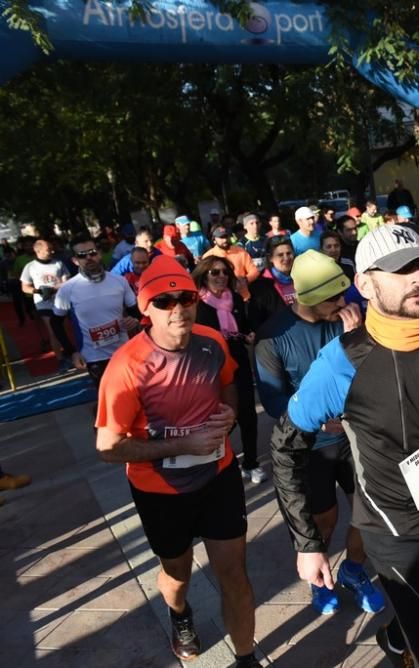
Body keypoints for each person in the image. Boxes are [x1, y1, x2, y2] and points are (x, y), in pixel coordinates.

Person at [271, 224, 419, 667]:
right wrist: (307, 543)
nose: (418, 278)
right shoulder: (341, 362)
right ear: (364, 283)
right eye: (400, 271)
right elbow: (285, 447)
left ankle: (397, 639)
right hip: (394, 531)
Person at [95, 257, 260, 666]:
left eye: (184, 297)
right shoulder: (126, 367)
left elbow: (229, 389)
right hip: (160, 491)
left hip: (218, 476)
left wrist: (229, 416)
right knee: (177, 574)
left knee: (234, 575)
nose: (177, 309)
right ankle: (180, 612)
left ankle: (246, 658)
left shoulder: (212, 341)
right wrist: (181, 443)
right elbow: (107, 447)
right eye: (164, 301)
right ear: (145, 309)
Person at [256, 251, 386, 615]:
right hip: (311, 444)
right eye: (333, 297)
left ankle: (354, 570)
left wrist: (358, 338)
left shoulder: (351, 320)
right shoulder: (273, 336)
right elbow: (272, 400)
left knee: (369, 512)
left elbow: (377, 374)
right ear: (305, 297)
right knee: (323, 519)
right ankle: (319, 574)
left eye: (344, 294)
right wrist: (317, 415)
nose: (343, 304)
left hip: (354, 436)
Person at [191, 257, 264, 484]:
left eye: (225, 272)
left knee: (248, 416)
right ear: (204, 275)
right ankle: (215, 457)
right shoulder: (197, 304)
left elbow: (244, 327)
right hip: (211, 367)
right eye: (214, 272)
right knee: (222, 417)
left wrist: (248, 333)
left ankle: (251, 463)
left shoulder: (234, 299)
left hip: (239, 362)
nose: (221, 276)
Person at [50, 236, 140, 387]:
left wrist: (134, 319)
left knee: (136, 396)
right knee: (111, 401)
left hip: (124, 351)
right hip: (94, 358)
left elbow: (135, 310)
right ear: (75, 260)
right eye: (82, 255)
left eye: (92, 253)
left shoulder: (119, 281)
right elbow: (56, 322)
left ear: (99, 254)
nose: (89, 258)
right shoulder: (68, 289)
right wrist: (72, 351)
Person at [20, 238, 71, 363]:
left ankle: (69, 353)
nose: (52, 251)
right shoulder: (30, 267)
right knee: (53, 331)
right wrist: (39, 291)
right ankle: (61, 360)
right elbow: (25, 287)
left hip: (60, 301)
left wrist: (56, 288)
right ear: (38, 250)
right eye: (48, 249)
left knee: (64, 330)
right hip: (43, 304)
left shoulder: (58, 263)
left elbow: (67, 281)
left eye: (51, 248)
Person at [247, 237, 297, 332]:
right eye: (280, 255)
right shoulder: (259, 287)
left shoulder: (301, 277)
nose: (286, 258)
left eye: (289, 253)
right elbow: (256, 323)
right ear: (270, 258)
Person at [202, 224, 260, 300]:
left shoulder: (240, 251)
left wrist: (245, 280)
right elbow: (204, 279)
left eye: (226, 236)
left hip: (242, 296)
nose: (225, 240)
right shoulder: (208, 256)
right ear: (214, 240)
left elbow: (254, 271)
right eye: (221, 238)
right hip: (219, 299)